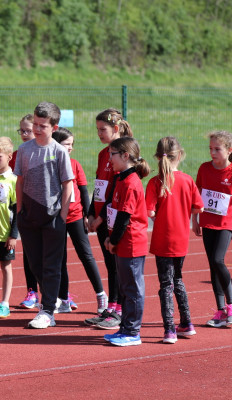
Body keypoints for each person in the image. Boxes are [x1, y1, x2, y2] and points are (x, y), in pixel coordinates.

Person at [15, 102, 74, 329]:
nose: (38, 129)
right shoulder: (24, 150)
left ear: (54, 127)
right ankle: (50, 300)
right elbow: (20, 181)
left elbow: (67, 184)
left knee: (51, 265)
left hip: (53, 218)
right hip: (29, 216)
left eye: (43, 126)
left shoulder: (59, 151)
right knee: (35, 263)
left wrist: (62, 216)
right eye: (36, 125)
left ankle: (48, 310)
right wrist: (20, 211)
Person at [146, 137, 203, 343]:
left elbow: (150, 211)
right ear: (179, 155)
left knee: (165, 283)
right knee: (177, 279)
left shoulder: (155, 182)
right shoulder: (187, 180)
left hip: (163, 239)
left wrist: (161, 217)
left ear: (157, 157)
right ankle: (187, 323)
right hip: (181, 238)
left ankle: (169, 329)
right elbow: (199, 207)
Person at [85, 109, 134, 330]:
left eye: (102, 129)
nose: (99, 133)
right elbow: (99, 186)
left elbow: (116, 191)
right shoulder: (103, 154)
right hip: (100, 217)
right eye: (97, 129)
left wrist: (101, 217)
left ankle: (120, 310)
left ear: (116, 128)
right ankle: (112, 307)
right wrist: (90, 212)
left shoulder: (122, 154)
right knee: (110, 264)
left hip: (112, 218)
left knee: (117, 265)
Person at [51, 128, 107, 315]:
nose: (70, 148)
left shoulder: (75, 165)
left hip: (75, 216)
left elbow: (83, 191)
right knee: (59, 259)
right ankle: (64, 300)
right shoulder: (49, 166)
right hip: (56, 218)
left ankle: (101, 295)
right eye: (66, 144)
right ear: (56, 145)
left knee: (86, 255)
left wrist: (87, 214)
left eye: (72, 144)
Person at [102, 137, 150, 346]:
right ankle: (125, 328)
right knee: (125, 288)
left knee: (132, 289)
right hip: (122, 242)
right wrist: (110, 237)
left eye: (112, 154)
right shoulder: (121, 179)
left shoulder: (131, 182)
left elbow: (124, 216)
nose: (109, 159)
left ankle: (132, 332)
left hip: (131, 243)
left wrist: (113, 240)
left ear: (125, 155)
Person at [192, 130, 232, 328]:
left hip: (226, 222)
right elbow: (197, 194)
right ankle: (220, 310)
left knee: (218, 259)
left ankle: (231, 304)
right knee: (212, 265)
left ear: (229, 150)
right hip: (207, 221)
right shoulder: (204, 168)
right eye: (210, 149)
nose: (213, 153)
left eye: (217, 149)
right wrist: (195, 219)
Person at [11, 115, 40, 310]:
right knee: (29, 251)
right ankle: (32, 292)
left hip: (43, 209)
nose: (24, 134)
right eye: (21, 130)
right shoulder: (16, 155)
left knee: (47, 253)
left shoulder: (45, 152)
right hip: (23, 209)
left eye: (27, 130)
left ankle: (59, 294)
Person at [0, 137, 18, 319]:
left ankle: (5, 303)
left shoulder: (13, 181)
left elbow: (17, 210)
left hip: (4, 234)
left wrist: (13, 235)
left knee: (5, 267)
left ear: (9, 156)